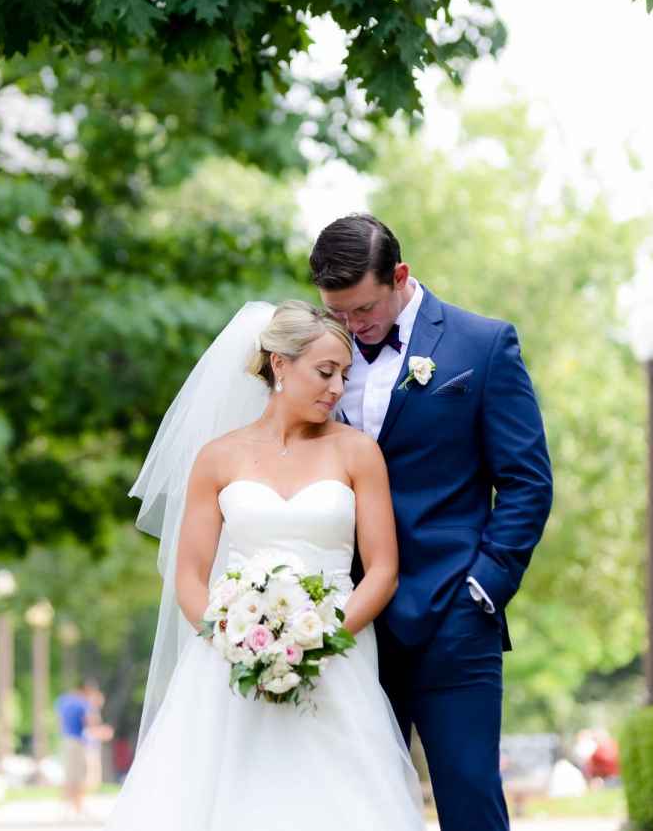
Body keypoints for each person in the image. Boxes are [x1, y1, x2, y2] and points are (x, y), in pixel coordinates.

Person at [106, 300, 423, 831]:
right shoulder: (218, 457)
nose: (337, 388)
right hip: (231, 657)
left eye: (344, 375)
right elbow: (190, 574)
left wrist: (321, 640)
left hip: (337, 654)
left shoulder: (358, 453)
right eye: (325, 372)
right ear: (280, 364)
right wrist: (230, 638)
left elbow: (383, 570)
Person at [310, 214, 553, 831]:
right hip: (343, 626)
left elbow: (526, 481)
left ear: (400, 276)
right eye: (337, 312)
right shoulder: (315, 356)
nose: (352, 326)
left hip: (453, 617)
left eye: (363, 309)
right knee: (358, 809)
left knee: (470, 801)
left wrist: (484, 587)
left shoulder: (482, 345)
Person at [55, 677, 108, 816]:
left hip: (66, 740)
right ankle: (78, 807)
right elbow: (91, 725)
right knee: (80, 777)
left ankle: (67, 807)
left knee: (70, 775)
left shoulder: (63, 700)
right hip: (78, 743)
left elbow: (60, 721)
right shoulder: (84, 704)